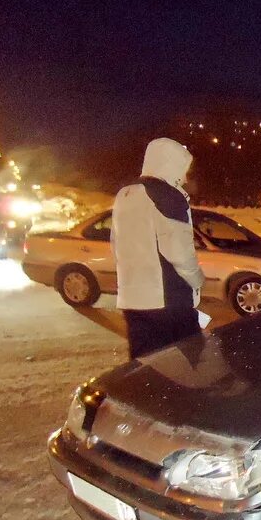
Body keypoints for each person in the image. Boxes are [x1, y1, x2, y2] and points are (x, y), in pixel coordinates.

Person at [112, 138, 205, 360]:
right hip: (168, 300)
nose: (184, 176)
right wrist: (198, 280)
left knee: (145, 367)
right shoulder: (168, 197)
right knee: (190, 363)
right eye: (184, 168)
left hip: (132, 299)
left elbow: (116, 244)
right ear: (171, 163)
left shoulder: (125, 194)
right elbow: (180, 253)